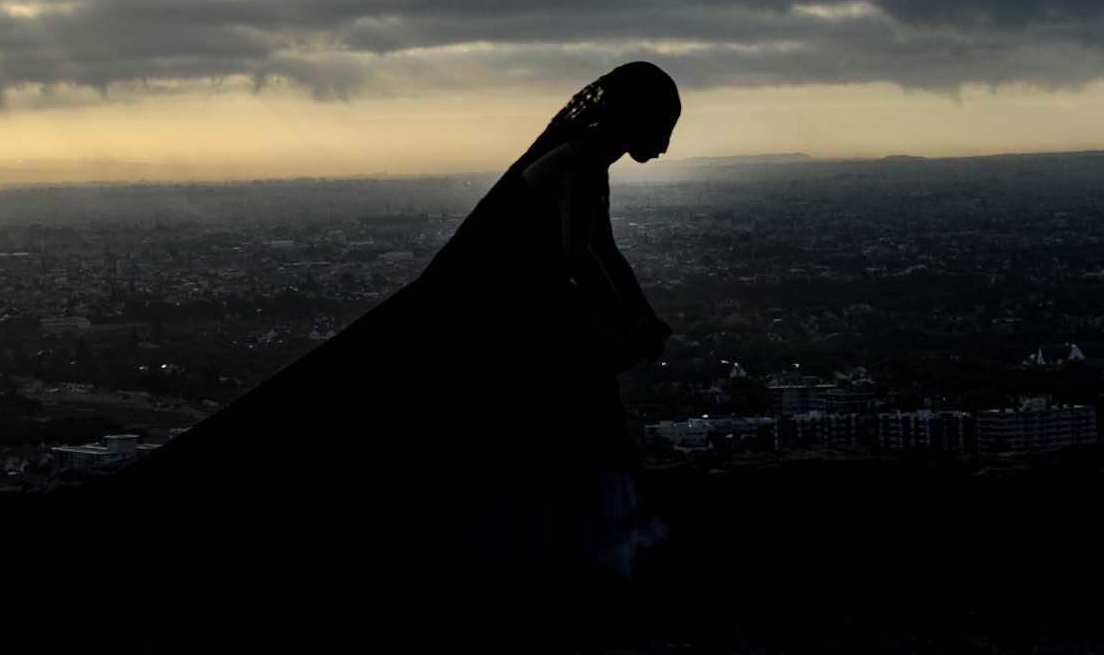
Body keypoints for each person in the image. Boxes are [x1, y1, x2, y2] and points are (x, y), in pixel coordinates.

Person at [109, 61, 680, 583]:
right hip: (494, 318)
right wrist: (629, 322)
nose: (665, 142)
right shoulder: (579, 164)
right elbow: (577, 257)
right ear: (636, 118)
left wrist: (637, 316)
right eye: (663, 125)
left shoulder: (583, 162)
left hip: (504, 316)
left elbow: (600, 255)